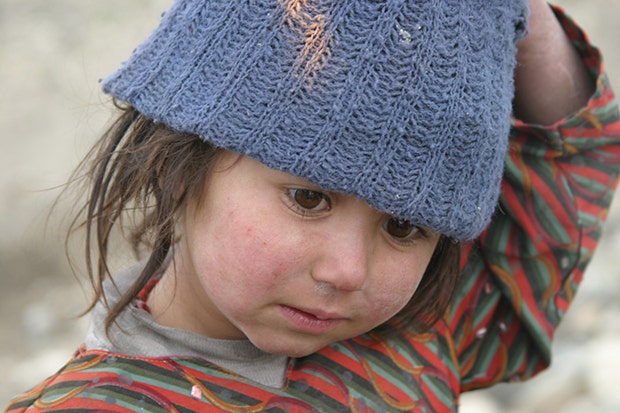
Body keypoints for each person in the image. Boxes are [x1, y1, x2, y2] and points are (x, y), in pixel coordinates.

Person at [5, 0, 620, 411]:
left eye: (403, 225)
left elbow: (570, 178)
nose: (347, 271)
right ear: (177, 164)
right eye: (309, 198)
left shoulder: (414, 336)